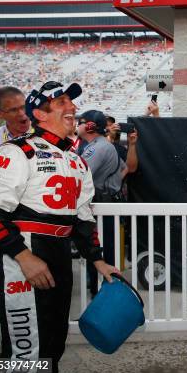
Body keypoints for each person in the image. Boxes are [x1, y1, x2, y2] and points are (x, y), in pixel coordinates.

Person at [0, 81, 119, 373]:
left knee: (51, 347)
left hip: (60, 258)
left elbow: (82, 221)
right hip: (22, 260)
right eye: (61, 103)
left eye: (71, 103)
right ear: (39, 114)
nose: (71, 107)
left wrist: (98, 260)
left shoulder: (76, 161)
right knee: (24, 353)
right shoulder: (15, 152)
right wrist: (23, 257)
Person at [77, 110, 137, 295]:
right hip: (104, 204)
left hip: (101, 208)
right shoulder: (102, 145)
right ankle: (103, 297)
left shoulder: (99, 147)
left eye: (80, 122)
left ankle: (102, 301)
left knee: (102, 258)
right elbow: (124, 168)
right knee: (103, 255)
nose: (77, 125)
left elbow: (78, 175)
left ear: (89, 126)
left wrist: (106, 188)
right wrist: (112, 185)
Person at [0, 87, 33, 308]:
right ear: (0, 114)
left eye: (23, 107)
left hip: (32, 220)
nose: (22, 114)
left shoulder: (42, 135)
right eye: (13, 110)